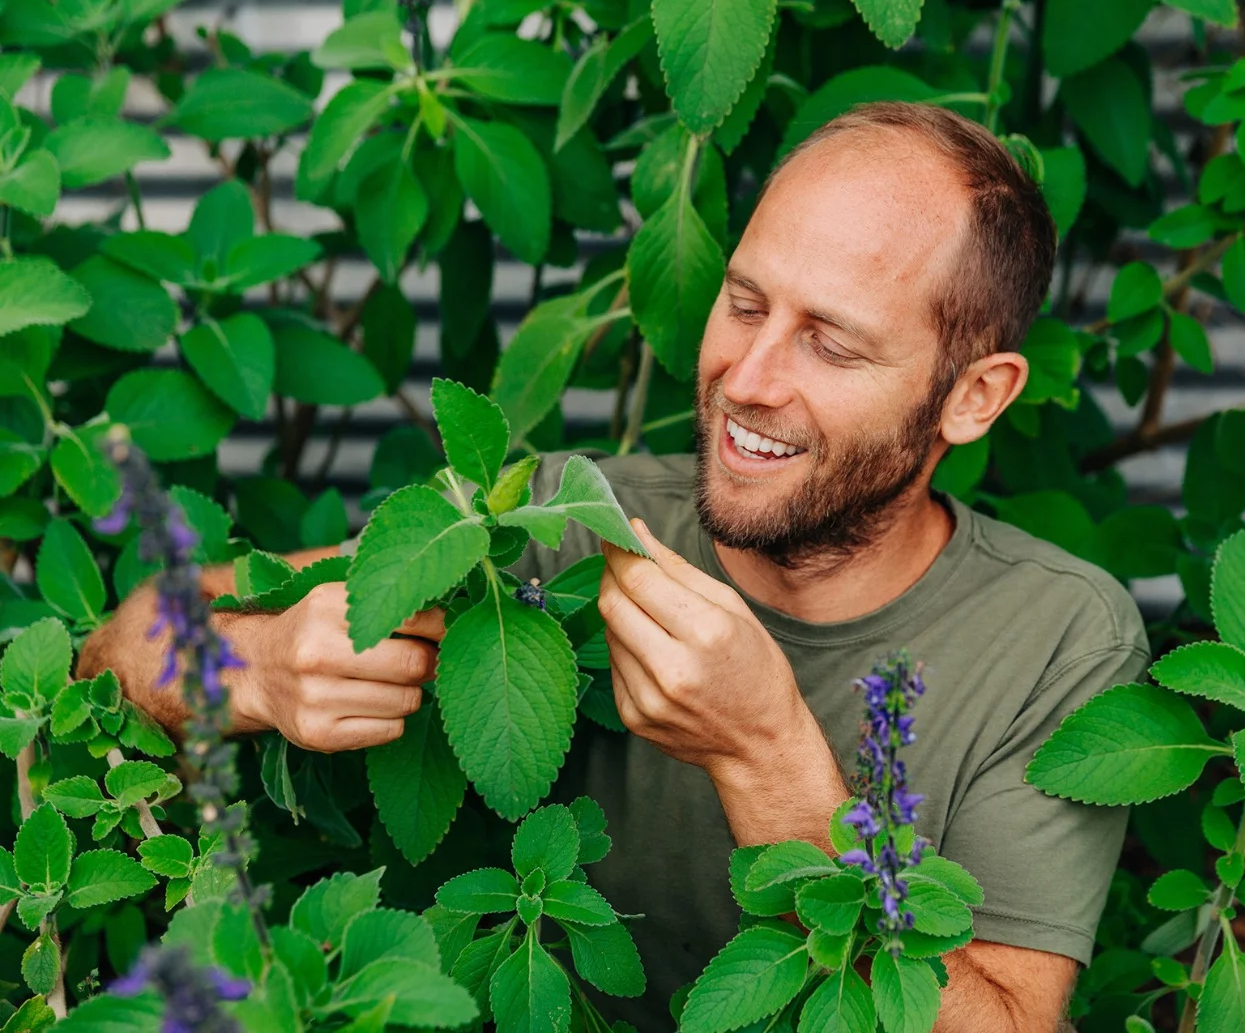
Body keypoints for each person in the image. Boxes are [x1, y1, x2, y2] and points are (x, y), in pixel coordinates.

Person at [81, 101, 1149, 1031]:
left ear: (974, 396)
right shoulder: (572, 522)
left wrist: (768, 754)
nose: (748, 378)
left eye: (831, 343)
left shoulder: (1058, 640)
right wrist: (258, 667)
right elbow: (114, 652)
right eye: (744, 304)